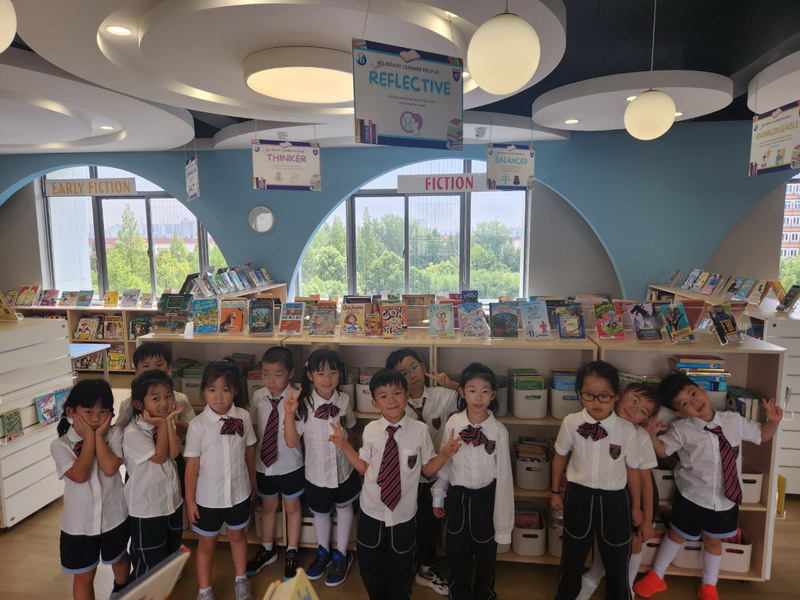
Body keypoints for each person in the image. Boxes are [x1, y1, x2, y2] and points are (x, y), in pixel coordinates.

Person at [633, 373, 783, 600]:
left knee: (714, 542)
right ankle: (657, 575)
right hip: (691, 495)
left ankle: (709, 585)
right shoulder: (682, 429)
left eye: (693, 393)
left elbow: (762, 435)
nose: (694, 402)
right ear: (680, 413)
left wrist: (773, 421)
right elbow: (663, 451)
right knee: (676, 535)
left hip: (725, 499)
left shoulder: (734, 421)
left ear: (702, 389)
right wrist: (651, 435)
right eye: (685, 403)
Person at [329, 368, 461, 600]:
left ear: (407, 396)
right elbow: (363, 467)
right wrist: (344, 445)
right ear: (374, 403)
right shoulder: (371, 430)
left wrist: (445, 454)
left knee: (401, 569)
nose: (391, 400)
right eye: (383, 395)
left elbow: (427, 470)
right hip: (372, 511)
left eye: (397, 393)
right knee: (371, 568)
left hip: (403, 514)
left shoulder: (420, 431)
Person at [550, 360, 642, 600]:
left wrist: (636, 507)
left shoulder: (626, 429)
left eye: (604, 396)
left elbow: (633, 470)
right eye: (589, 395)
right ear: (580, 393)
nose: (596, 402)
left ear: (616, 396)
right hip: (579, 496)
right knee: (572, 556)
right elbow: (560, 456)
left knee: (617, 560)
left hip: (615, 500)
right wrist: (555, 491)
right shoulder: (571, 422)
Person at [432, 362, 514, 600]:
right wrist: (438, 495)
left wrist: (503, 523)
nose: (478, 397)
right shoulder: (453, 424)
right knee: (457, 552)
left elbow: (504, 476)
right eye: (472, 390)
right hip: (458, 498)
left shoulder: (498, 431)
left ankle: (484, 592)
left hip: (486, 498)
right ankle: (459, 593)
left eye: (485, 391)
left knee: (486, 552)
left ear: (493, 395)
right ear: (462, 392)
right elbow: (445, 462)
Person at [577, 383, 661, 599]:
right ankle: (591, 580)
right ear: (619, 395)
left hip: (635, 497)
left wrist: (647, 519)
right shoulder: (594, 423)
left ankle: (626, 587)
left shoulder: (639, 435)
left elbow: (646, 481)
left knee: (633, 542)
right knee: (611, 542)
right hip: (610, 495)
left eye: (642, 410)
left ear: (645, 419)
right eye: (634, 400)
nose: (634, 409)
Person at [385, 348, 459, 595]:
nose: (412, 375)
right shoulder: (395, 404)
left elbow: (471, 396)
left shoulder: (441, 395)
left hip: (436, 477)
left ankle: (426, 569)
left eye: (414, 367)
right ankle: (405, 567)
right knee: (405, 525)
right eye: (403, 373)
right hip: (406, 479)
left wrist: (451, 383)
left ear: (423, 367)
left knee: (430, 525)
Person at [284, 347, 359, 586]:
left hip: (344, 470)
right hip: (317, 473)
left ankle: (342, 554)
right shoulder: (303, 405)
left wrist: (353, 454)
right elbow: (291, 441)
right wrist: (289, 414)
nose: (328, 379)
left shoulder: (344, 400)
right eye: (321, 373)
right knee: (321, 512)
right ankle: (323, 551)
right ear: (310, 376)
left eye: (333, 373)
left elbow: (351, 429)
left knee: (345, 508)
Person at [184, 360, 257, 600]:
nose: (218, 396)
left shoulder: (243, 417)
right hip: (208, 498)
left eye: (225, 389)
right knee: (207, 544)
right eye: (212, 389)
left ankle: (241, 579)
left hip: (238, 492)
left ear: (235, 390)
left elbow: (249, 451)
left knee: (238, 536)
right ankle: (204, 589)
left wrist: (252, 480)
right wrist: (190, 501)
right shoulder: (197, 426)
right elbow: (192, 465)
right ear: (203, 391)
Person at [50, 379, 130, 600]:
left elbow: (110, 468)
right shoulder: (60, 445)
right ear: (71, 412)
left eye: (103, 411)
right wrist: (88, 438)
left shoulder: (115, 434)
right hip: (79, 524)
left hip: (114, 516)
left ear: (111, 413)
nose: (96, 418)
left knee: (120, 560)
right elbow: (80, 475)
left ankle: (121, 591)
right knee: (84, 576)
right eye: (88, 411)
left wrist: (98, 437)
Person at [245, 347, 304, 580]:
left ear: (291, 373)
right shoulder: (258, 397)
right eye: (265, 374)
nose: (271, 380)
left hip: (291, 464)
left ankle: (292, 550)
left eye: (277, 374)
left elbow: (294, 439)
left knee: (293, 507)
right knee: (268, 507)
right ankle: (267, 548)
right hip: (264, 465)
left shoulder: (298, 398)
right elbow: (255, 429)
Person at [123, 370, 183, 580]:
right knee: (149, 562)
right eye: (156, 398)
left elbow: (173, 453)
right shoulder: (133, 432)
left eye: (168, 396)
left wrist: (167, 423)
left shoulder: (165, 421)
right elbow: (159, 456)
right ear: (139, 404)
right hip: (147, 509)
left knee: (171, 551)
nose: (164, 403)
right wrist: (162, 424)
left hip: (171, 501)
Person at [115, 342, 195, 440]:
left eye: (159, 364)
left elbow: (194, 430)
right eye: (146, 366)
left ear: (168, 368)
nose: (153, 370)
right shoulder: (129, 404)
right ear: (136, 371)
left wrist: (172, 422)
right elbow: (118, 431)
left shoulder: (180, 399)